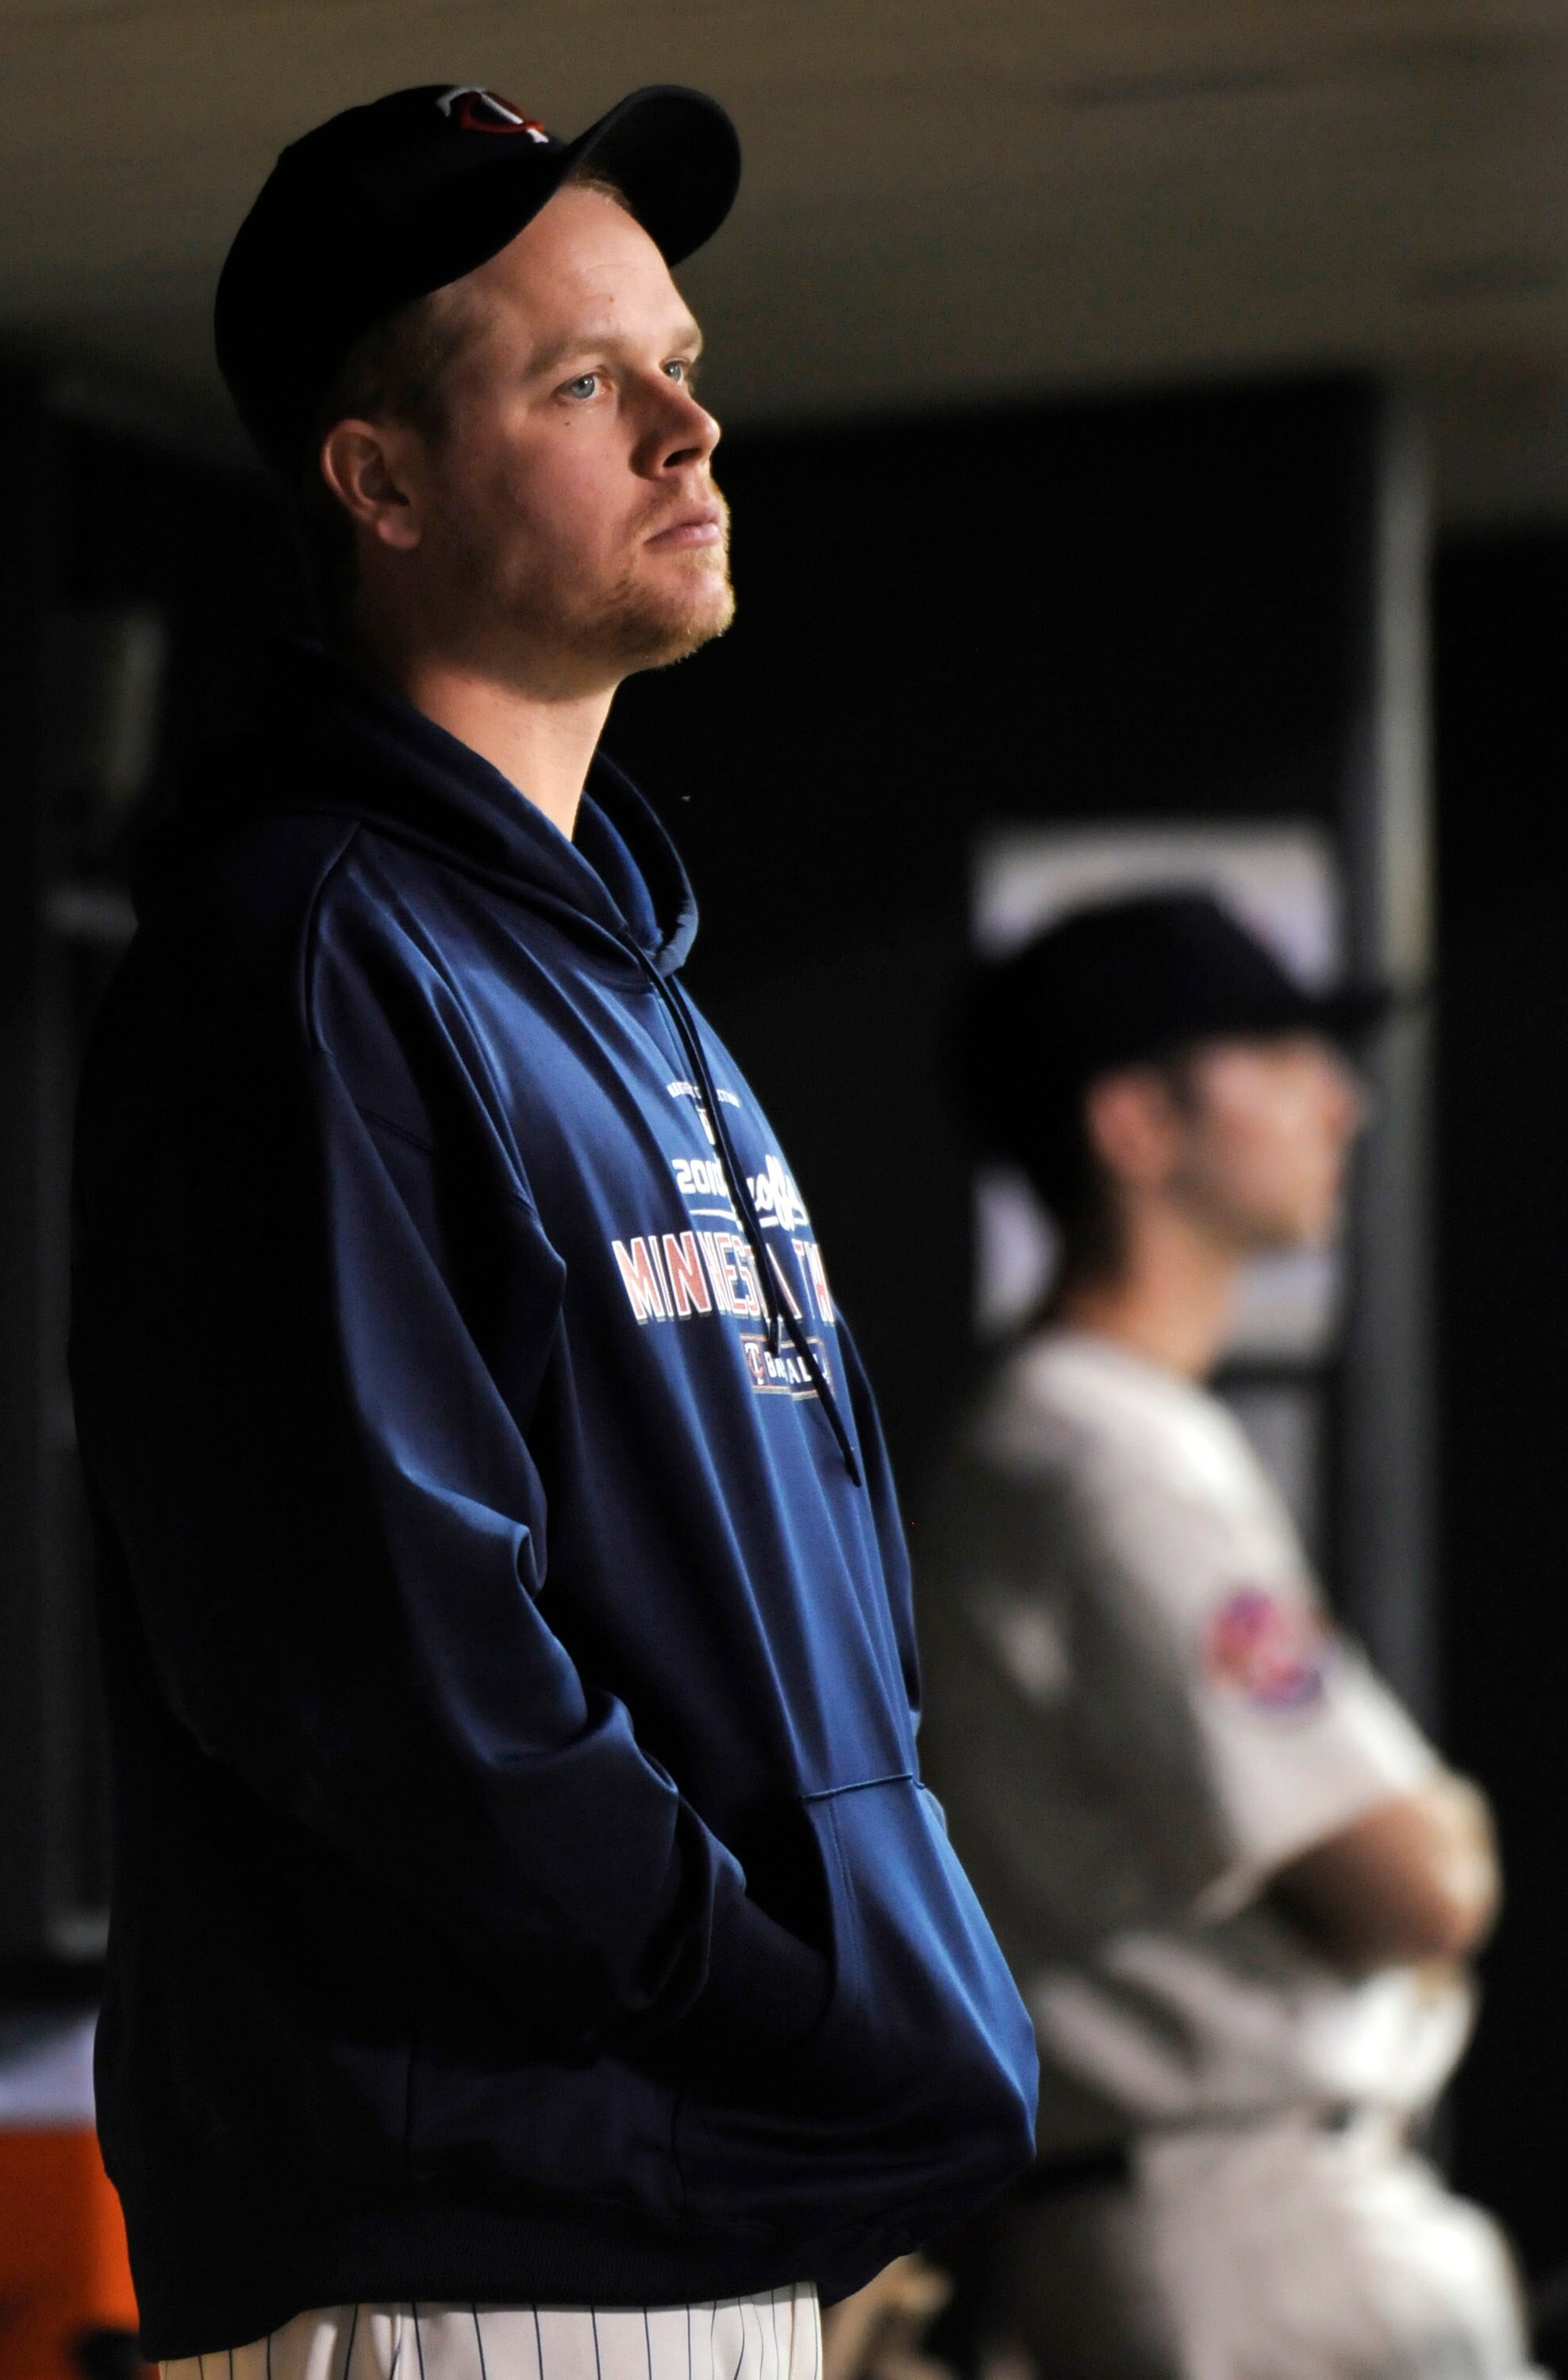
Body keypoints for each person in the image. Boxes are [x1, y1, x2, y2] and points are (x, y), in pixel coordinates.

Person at [67, 83, 1036, 2380]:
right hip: (488, 2241)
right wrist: (781, 1999)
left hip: (683, 2209)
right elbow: (388, 1683)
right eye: (586, 381)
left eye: (680, 362)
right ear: (378, 482)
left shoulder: (615, 979)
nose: (691, 429)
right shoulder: (305, 953)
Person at [916, 891, 1531, 2380]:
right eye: (1279, 1053)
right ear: (1136, 1122)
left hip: (1200, 2212)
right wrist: (1448, 1832)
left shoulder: (1094, 1434)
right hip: (1249, 2232)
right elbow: (1421, 1890)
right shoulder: (1099, 1451)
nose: (1344, 1100)